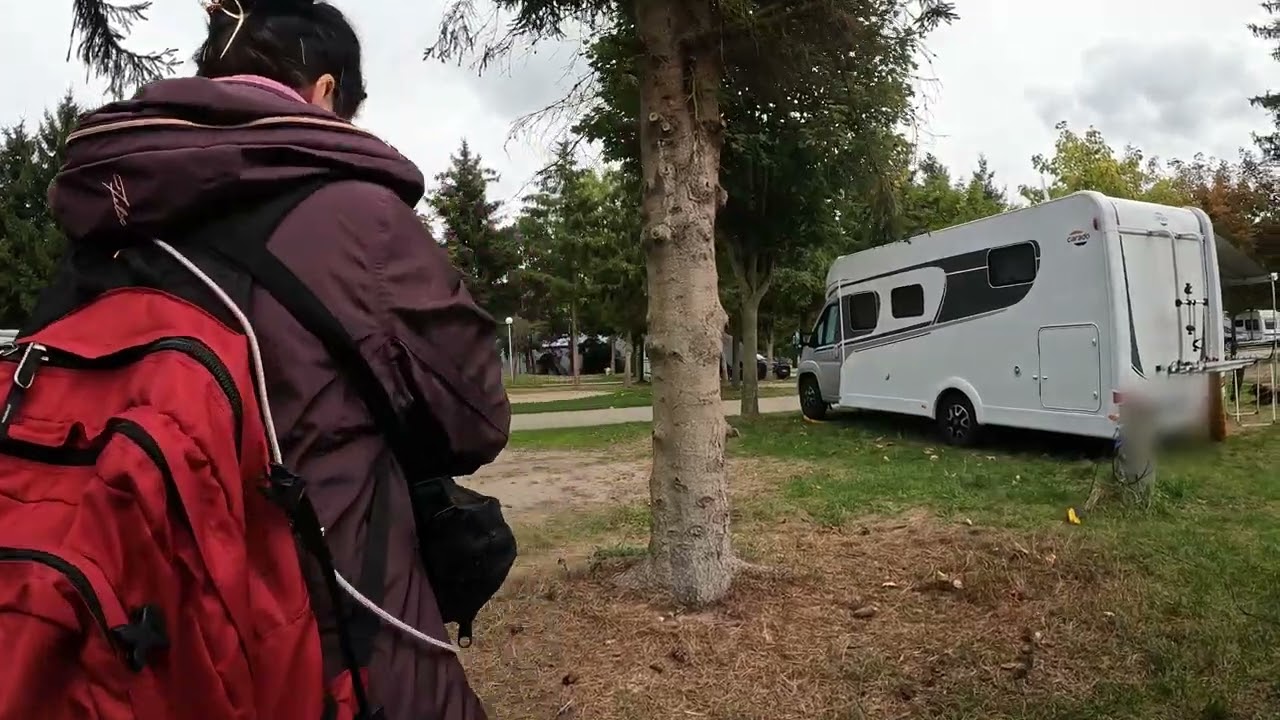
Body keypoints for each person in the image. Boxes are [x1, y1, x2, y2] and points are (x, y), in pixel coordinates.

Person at [46, 1, 510, 718]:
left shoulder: (106, 217)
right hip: (337, 637)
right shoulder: (356, 215)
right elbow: (476, 418)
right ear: (325, 92)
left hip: (131, 638)